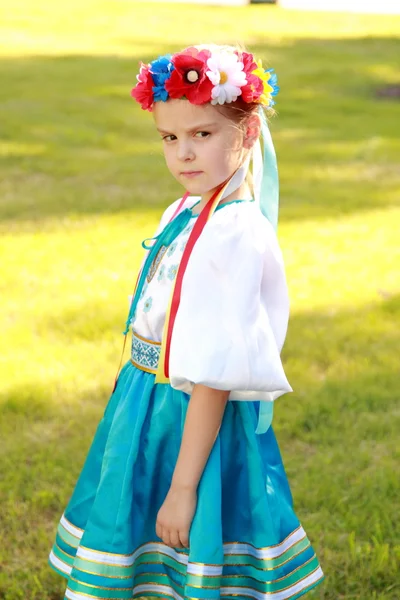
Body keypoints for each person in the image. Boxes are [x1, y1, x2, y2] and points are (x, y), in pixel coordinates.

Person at [48, 43, 325, 600]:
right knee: (138, 534)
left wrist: (182, 485)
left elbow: (215, 372)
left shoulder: (235, 235)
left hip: (196, 415)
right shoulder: (186, 208)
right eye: (170, 138)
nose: (183, 154)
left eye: (202, 134)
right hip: (149, 399)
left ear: (246, 134)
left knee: (190, 532)